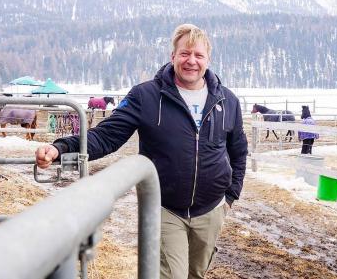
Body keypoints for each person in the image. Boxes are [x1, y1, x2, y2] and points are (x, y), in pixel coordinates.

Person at [35, 24, 248, 279]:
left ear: (208, 60)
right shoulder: (146, 96)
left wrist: (230, 197)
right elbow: (107, 136)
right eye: (184, 53)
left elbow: (238, 150)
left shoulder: (227, 100)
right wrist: (62, 147)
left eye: (198, 55)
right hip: (166, 208)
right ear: (173, 57)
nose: (191, 61)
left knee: (196, 274)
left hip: (212, 209)